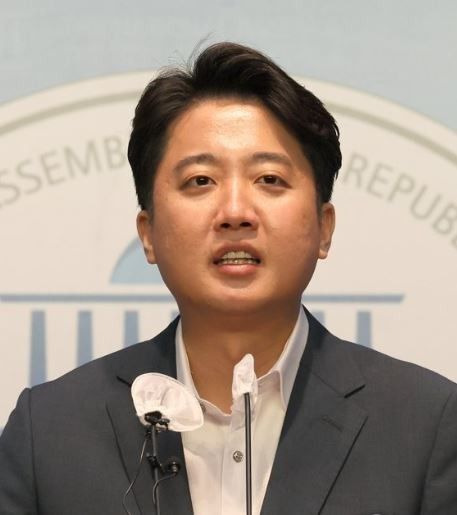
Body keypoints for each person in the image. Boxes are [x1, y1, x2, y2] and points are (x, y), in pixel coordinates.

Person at [1, 42, 456, 515]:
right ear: (148, 234)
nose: (235, 212)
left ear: (324, 228)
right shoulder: (49, 432)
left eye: (270, 179)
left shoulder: (425, 425)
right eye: (200, 181)